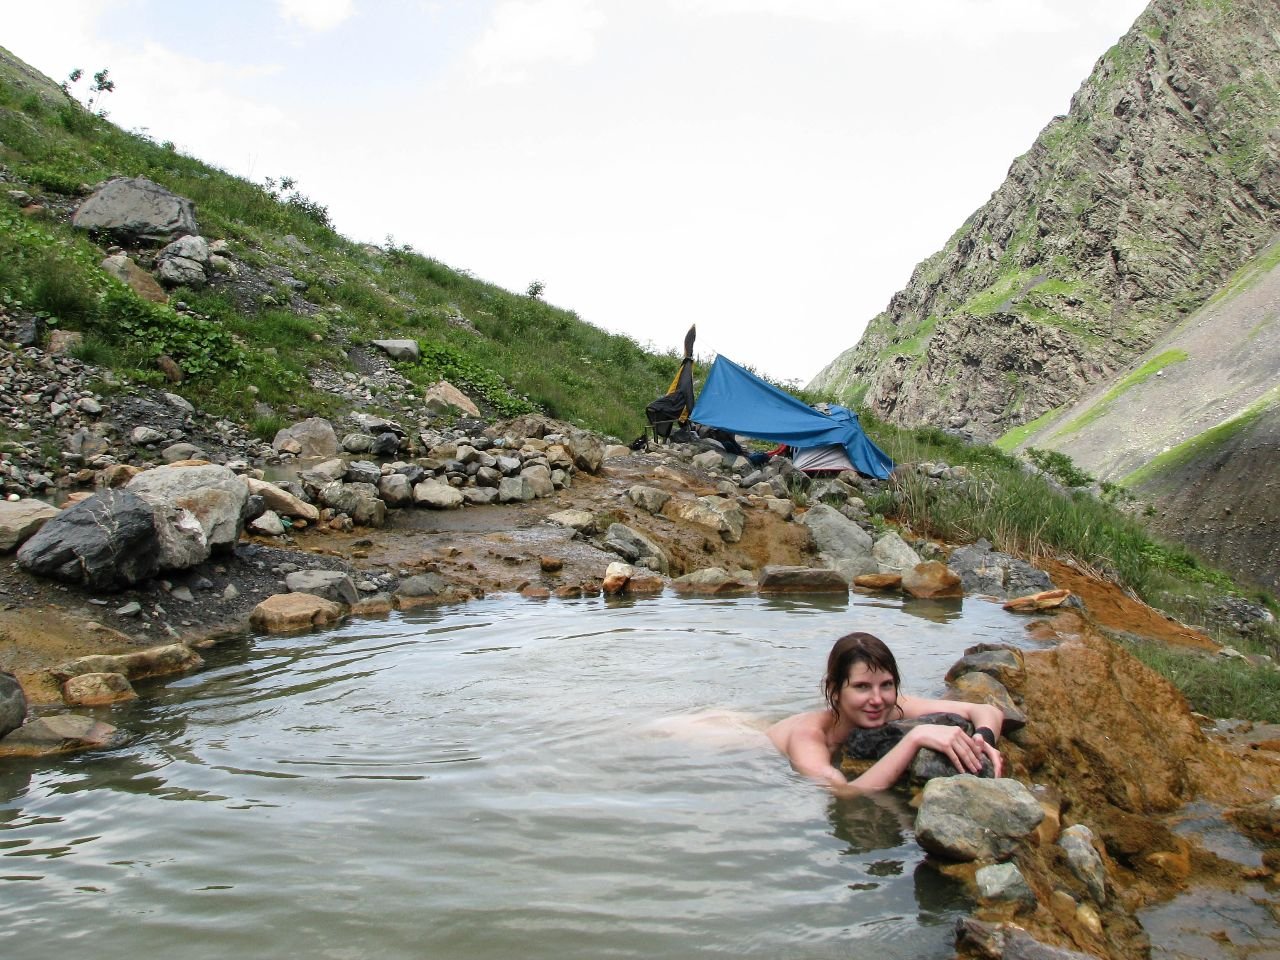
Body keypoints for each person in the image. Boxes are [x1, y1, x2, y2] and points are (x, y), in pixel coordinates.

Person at [767, 632, 1004, 796]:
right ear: (834, 690)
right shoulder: (808, 736)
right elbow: (842, 791)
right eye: (862, 686)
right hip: (747, 740)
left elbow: (986, 710)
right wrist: (915, 738)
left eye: (887, 685)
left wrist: (982, 740)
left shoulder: (892, 707)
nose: (878, 699)